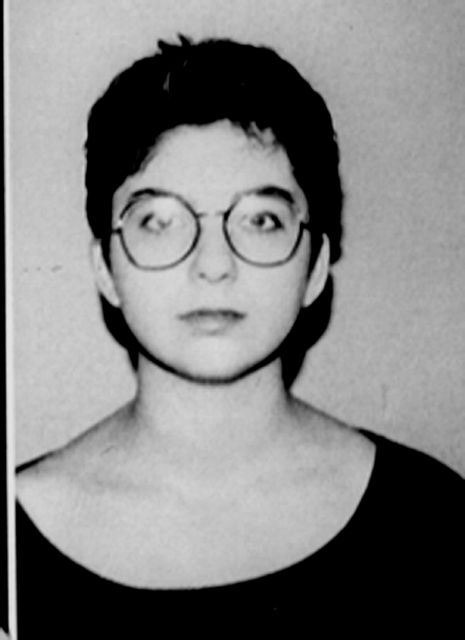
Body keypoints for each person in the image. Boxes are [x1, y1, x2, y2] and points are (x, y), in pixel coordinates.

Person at [15, 36, 464, 637]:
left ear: (315, 265)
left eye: (260, 220)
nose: (213, 265)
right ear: (105, 267)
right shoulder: (12, 540)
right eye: (160, 221)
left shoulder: (433, 522)